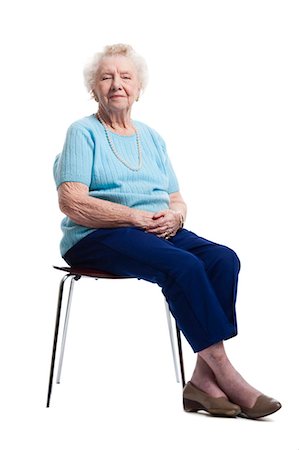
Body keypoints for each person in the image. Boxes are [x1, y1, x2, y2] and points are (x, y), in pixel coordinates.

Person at [53, 43, 281, 419]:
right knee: (183, 266)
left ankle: (201, 383)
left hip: (155, 230)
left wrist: (176, 216)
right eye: (106, 77)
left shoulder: (152, 137)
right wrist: (134, 218)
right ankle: (226, 373)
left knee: (223, 259)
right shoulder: (82, 132)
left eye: (126, 77)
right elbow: (72, 202)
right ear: (93, 89)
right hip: (96, 236)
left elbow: (176, 198)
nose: (117, 84)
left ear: (139, 87)